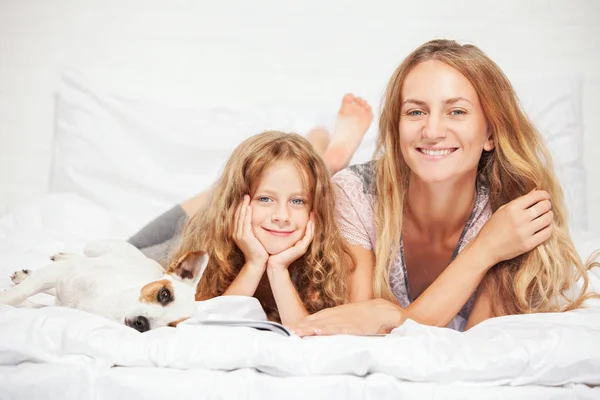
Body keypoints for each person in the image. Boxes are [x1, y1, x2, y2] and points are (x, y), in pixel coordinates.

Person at [290, 39, 599, 336]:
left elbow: (475, 345)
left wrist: (394, 318)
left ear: (490, 134)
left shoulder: (510, 212)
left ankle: (324, 156)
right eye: (415, 112)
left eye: (457, 111)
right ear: (396, 128)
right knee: (302, 189)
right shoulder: (356, 193)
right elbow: (363, 329)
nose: (433, 131)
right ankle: (328, 157)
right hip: (348, 181)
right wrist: (484, 250)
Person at [127, 94, 373, 324]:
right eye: (265, 199)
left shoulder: (324, 260)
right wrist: (254, 262)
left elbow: (303, 332)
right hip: (162, 246)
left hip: (236, 213)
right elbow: (210, 323)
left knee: (278, 178)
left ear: (314, 210)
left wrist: (277, 268)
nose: (282, 217)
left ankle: (320, 162)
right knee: (130, 247)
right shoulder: (204, 250)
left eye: (298, 201)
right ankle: (326, 163)